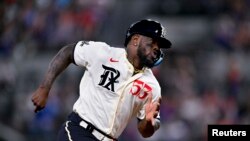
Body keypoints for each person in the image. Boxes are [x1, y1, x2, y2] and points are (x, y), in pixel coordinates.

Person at [31, 19, 172, 141]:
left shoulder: (152, 86)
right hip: (80, 130)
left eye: (159, 46)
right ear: (135, 40)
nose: (156, 49)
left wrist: (148, 122)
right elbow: (68, 52)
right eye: (153, 42)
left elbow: (145, 132)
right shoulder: (103, 53)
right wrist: (44, 88)